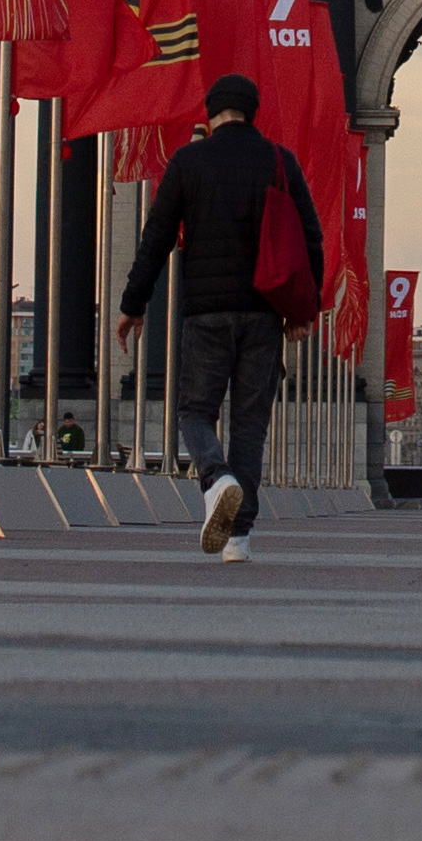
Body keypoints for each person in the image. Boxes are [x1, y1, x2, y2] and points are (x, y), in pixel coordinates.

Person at [114, 71, 325, 558]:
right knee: (250, 424)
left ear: (209, 114)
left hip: (207, 312)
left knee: (194, 411)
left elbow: (156, 238)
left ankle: (216, 476)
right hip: (264, 313)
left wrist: (132, 305)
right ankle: (239, 537)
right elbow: (310, 240)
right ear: (253, 112)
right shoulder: (279, 161)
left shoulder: (188, 161)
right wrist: (302, 310)